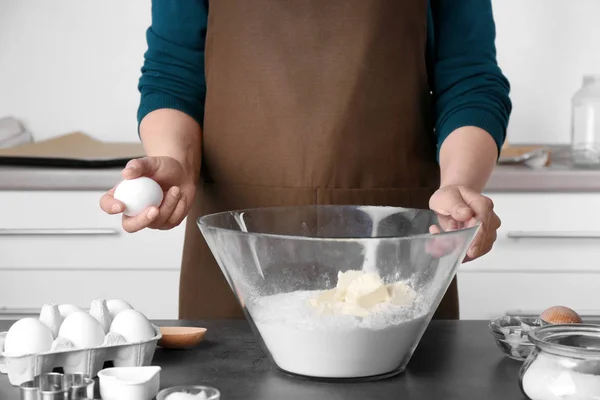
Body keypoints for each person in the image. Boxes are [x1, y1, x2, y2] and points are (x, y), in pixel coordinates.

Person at [100, 0, 511, 320]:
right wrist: (175, 160)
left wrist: (459, 183)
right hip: (238, 247)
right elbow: (175, 71)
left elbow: (469, 76)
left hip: (395, 240)